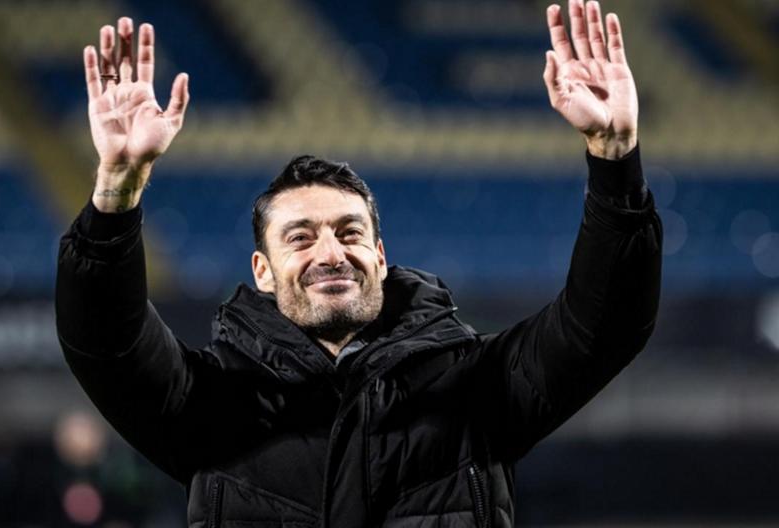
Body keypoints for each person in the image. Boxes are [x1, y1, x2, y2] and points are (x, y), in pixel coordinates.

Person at [55, 1, 662, 526]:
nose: (330, 252)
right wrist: (116, 191)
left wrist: (615, 158)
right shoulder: (211, 401)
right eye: (300, 238)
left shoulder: (475, 386)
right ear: (262, 271)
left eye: (349, 232)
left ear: (380, 256)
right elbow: (105, 342)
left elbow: (603, 325)